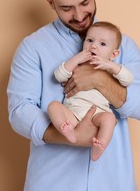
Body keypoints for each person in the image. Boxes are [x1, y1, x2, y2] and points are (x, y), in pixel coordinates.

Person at [7, 0, 140, 191]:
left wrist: (100, 80)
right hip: (52, 183)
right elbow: (19, 111)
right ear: (50, 2)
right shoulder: (32, 47)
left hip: (113, 182)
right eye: (66, 8)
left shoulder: (123, 46)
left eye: (85, 2)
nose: (78, 15)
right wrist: (68, 135)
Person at [48, 21, 134, 161]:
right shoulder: (78, 65)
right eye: (89, 40)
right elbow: (59, 76)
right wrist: (77, 58)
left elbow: (128, 79)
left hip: (97, 115)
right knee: (53, 106)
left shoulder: (110, 70)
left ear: (113, 54)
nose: (93, 45)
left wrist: (110, 65)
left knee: (110, 118)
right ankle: (69, 132)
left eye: (102, 44)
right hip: (73, 114)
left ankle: (100, 146)